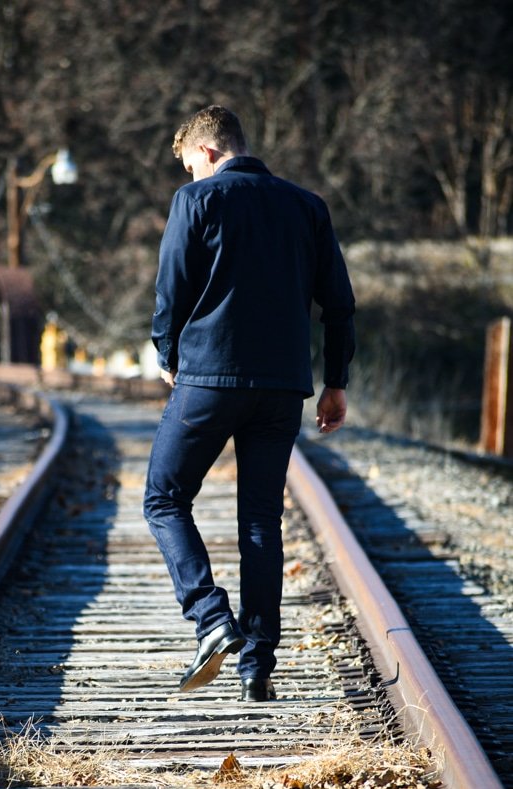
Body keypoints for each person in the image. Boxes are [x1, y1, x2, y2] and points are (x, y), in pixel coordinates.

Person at [143, 105, 355, 702]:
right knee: (261, 520)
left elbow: (170, 291)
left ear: (208, 152)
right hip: (283, 387)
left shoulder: (197, 201)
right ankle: (256, 665)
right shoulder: (307, 207)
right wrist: (335, 380)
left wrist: (169, 355)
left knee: (163, 498)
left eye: (189, 166)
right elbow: (339, 304)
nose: (190, 177)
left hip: (208, 380)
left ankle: (211, 619)